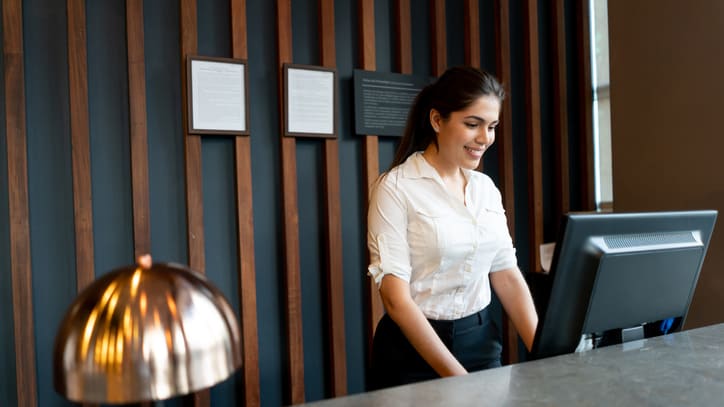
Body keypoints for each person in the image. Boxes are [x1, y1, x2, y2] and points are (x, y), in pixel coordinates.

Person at [366, 66, 538, 389]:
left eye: (492, 126)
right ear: (436, 120)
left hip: (482, 343)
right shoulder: (395, 188)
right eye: (473, 124)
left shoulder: (485, 188)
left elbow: (506, 274)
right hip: (412, 353)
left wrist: (549, 354)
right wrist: (461, 383)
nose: (485, 138)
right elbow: (395, 299)